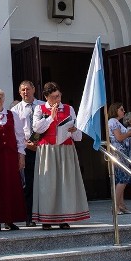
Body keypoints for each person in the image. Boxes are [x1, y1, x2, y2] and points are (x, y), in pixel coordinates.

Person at [31, 81, 90, 229]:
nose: (57, 100)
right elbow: (37, 128)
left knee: (65, 183)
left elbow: (78, 137)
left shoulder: (69, 109)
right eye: (53, 97)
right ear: (46, 97)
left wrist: (74, 130)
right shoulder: (40, 108)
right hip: (47, 150)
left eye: (58, 96)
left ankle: (64, 218)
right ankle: (47, 219)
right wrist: (51, 117)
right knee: (47, 184)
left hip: (65, 149)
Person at [0, 88, 26, 231]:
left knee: (10, 187)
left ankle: (10, 219)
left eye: (1, 97)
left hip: (10, 158)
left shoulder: (13, 115)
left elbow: (20, 137)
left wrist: (21, 156)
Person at [10, 80, 44, 227]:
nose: (25, 92)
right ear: (19, 92)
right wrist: (26, 145)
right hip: (26, 150)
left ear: (34, 90)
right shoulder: (15, 110)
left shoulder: (43, 106)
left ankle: (46, 216)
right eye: (23, 90)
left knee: (45, 183)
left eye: (28, 89)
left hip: (44, 148)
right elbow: (15, 132)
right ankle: (29, 217)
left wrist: (39, 143)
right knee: (29, 184)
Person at [107, 102, 131, 215]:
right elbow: (118, 138)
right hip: (118, 152)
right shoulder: (113, 122)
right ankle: (115, 206)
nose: (123, 111)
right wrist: (128, 134)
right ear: (115, 111)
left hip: (122, 152)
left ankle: (121, 205)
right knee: (122, 179)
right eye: (121, 109)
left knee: (121, 179)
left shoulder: (117, 122)